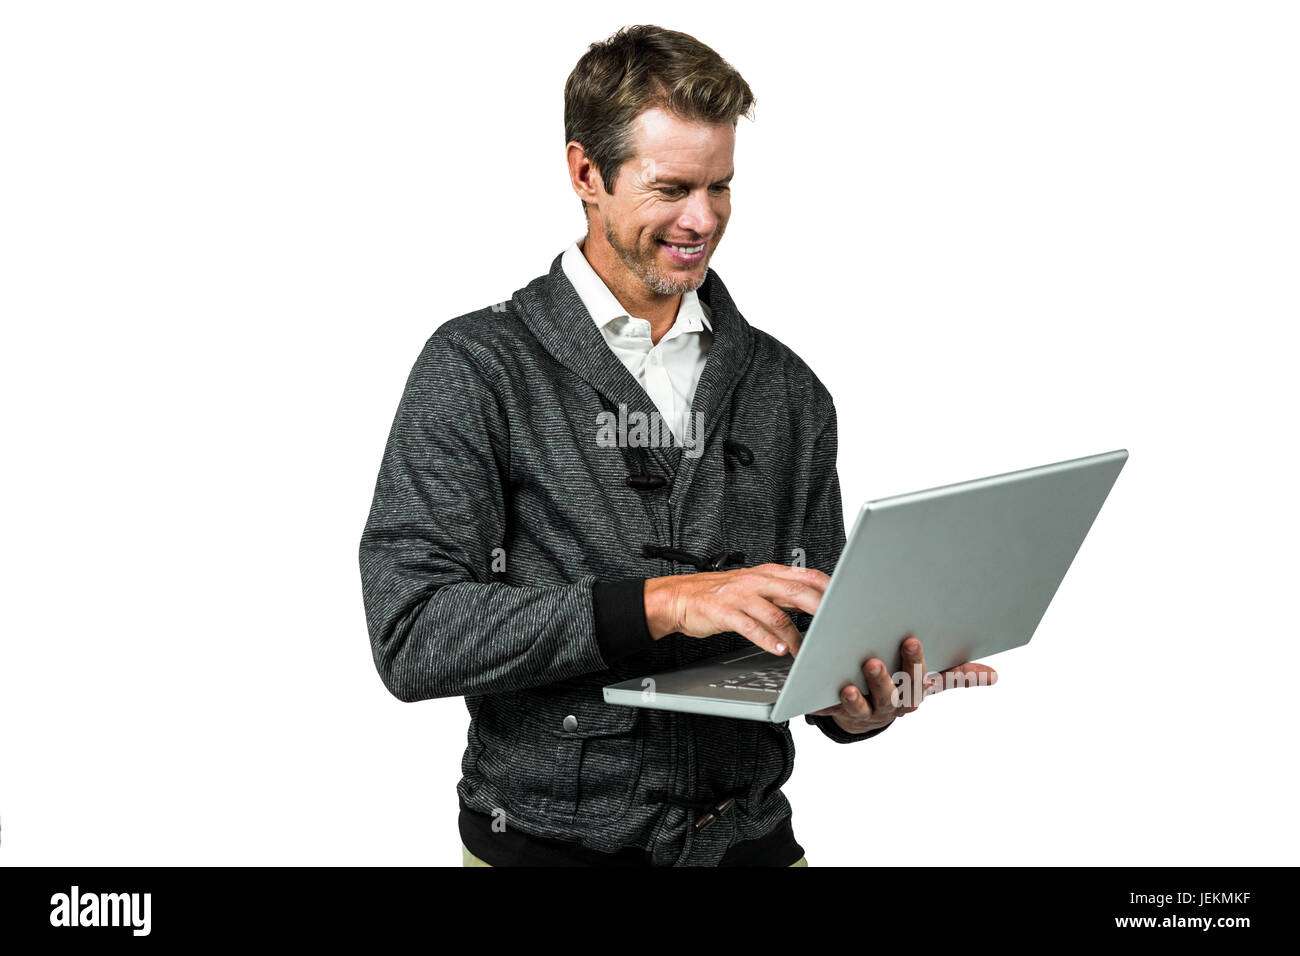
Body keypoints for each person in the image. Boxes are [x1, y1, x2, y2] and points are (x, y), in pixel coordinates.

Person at [358, 23, 996, 868]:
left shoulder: (790, 392)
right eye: (672, 188)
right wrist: (662, 600)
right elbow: (414, 634)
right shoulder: (476, 369)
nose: (702, 221)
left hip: (752, 847)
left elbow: (812, 645)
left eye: (721, 187)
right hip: (545, 851)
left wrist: (857, 704)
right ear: (586, 173)